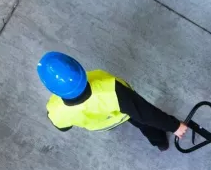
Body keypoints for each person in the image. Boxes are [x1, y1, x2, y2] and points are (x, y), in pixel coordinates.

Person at [37, 52, 187, 151]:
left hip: (102, 124)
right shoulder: (111, 91)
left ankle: (160, 143)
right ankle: (160, 141)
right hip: (123, 113)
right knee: (144, 123)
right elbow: (146, 113)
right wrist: (174, 126)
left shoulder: (55, 110)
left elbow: (63, 127)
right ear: (79, 70)